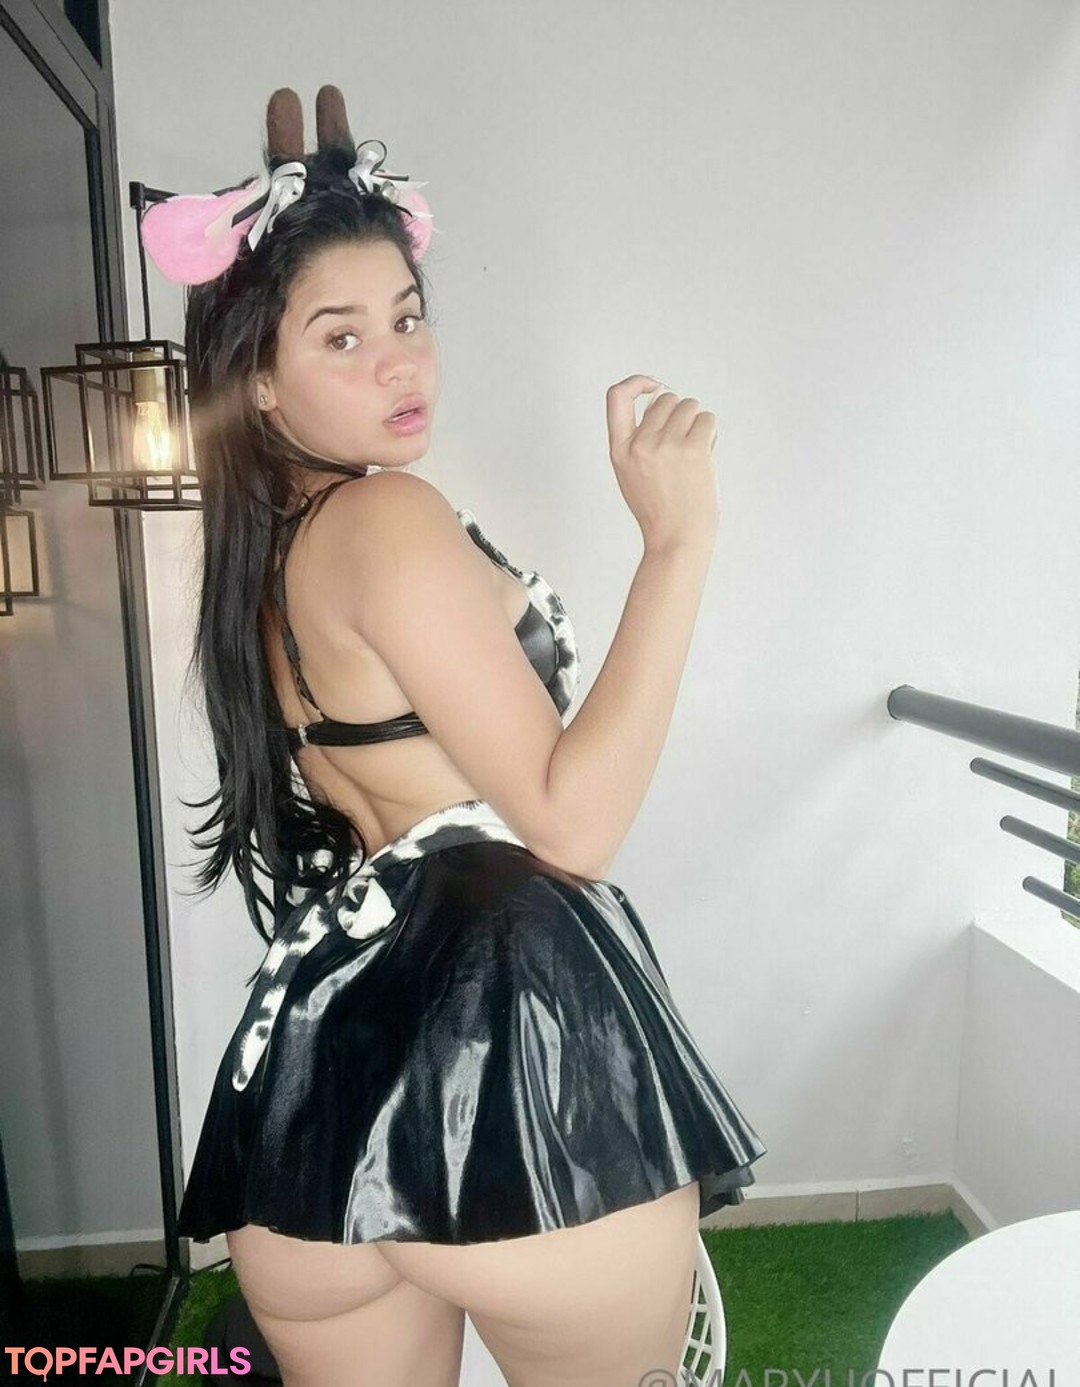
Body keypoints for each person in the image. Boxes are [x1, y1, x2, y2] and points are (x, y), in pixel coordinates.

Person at [144, 84, 767, 1387]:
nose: (401, 361)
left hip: (318, 1086)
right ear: (258, 380)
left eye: (408, 316)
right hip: (512, 1044)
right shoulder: (386, 520)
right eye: (342, 335)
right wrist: (679, 541)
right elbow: (573, 825)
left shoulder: (265, 560)